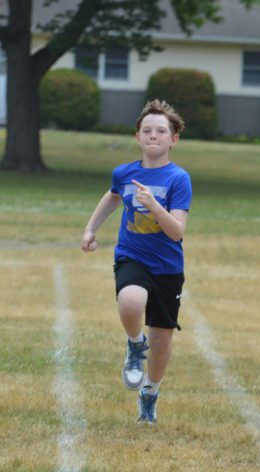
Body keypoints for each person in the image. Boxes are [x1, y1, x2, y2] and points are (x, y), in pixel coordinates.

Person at [80, 99, 192, 424]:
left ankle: (151, 392)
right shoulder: (125, 172)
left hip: (168, 268)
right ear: (138, 137)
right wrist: (90, 229)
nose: (153, 136)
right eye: (147, 130)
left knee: (162, 342)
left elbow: (176, 232)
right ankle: (134, 344)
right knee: (130, 302)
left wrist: (154, 206)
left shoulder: (178, 179)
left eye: (161, 131)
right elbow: (113, 195)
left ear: (174, 139)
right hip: (132, 256)